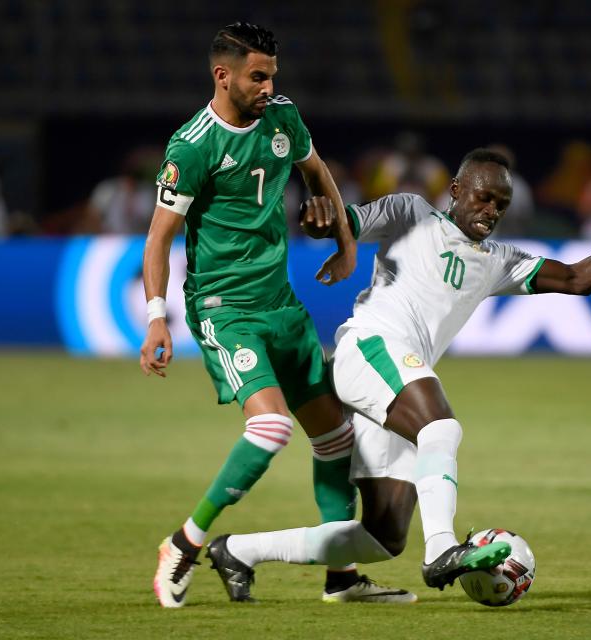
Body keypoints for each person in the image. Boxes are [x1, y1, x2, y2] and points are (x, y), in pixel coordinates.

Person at [202, 148, 591, 601]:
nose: (491, 212)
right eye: (484, 198)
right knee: (441, 428)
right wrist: (319, 218)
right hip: (371, 347)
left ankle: (238, 550)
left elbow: (578, 278)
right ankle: (441, 547)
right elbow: (342, 222)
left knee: (382, 537)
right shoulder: (410, 213)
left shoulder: (498, 262)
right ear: (458, 190)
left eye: (501, 206)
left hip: (395, 384)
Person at [141, 21, 412, 607]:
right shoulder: (192, 146)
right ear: (224, 75)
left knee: (336, 438)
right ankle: (183, 544)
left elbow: (320, 176)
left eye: (272, 75)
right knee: (269, 428)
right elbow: (158, 238)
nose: (267, 86)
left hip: (280, 304)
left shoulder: (283, 118)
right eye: (256, 76)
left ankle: (341, 580)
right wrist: (156, 317)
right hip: (224, 308)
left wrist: (346, 244)